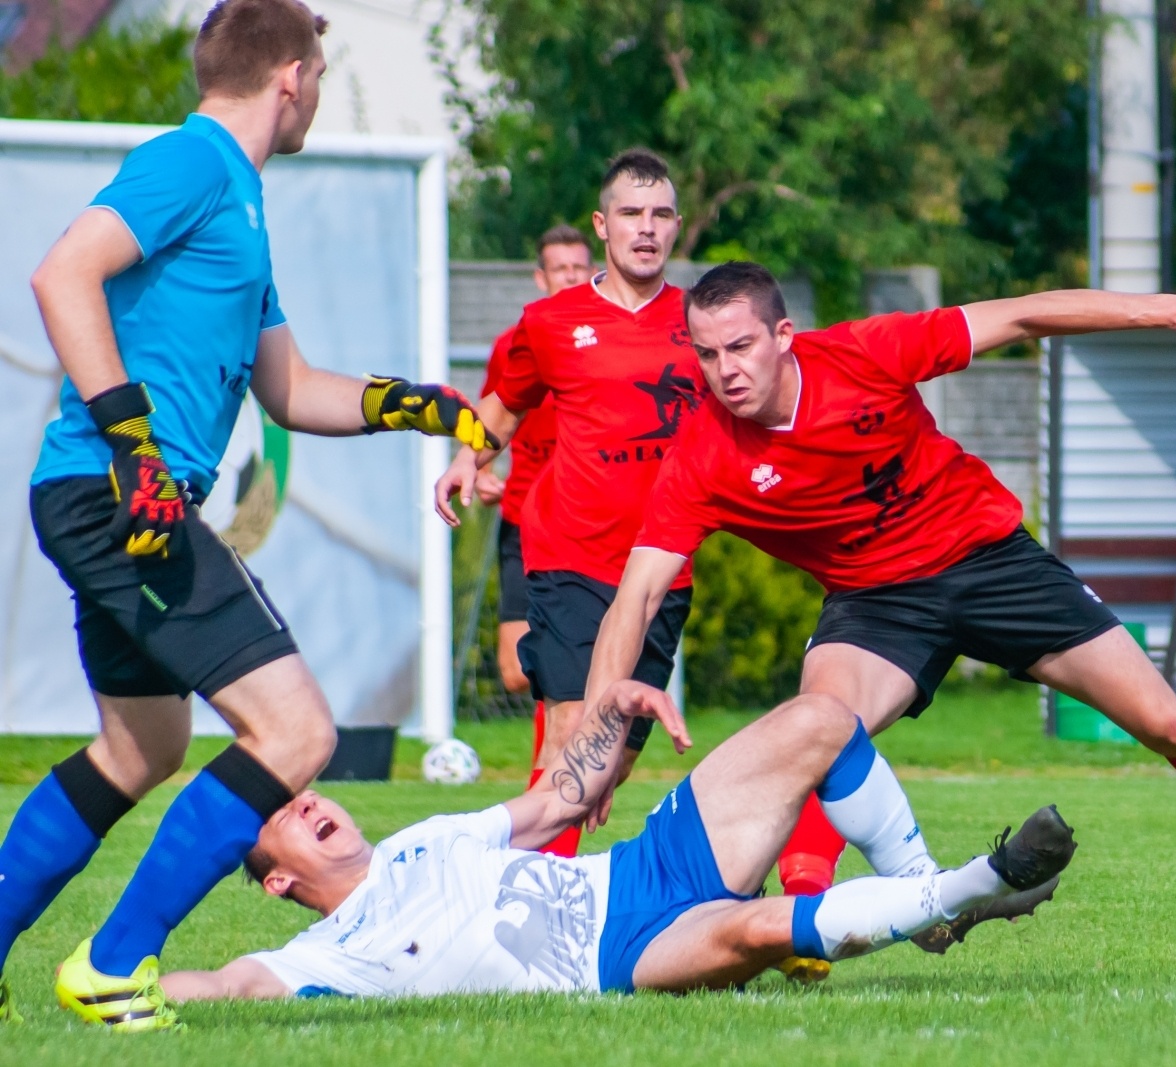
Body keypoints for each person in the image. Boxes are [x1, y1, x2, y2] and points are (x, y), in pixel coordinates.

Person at [572, 261, 1176, 910]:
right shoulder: (703, 453)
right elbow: (636, 594)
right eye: (706, 355)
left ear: (784, 335)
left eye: (740, 347)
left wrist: (1163, 308)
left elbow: (1021, 315)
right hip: (876, 603)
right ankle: (803, 922)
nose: (724, 371)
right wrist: (595, 740)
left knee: (1171, 725)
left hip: (990, 561)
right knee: (818, 726)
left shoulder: (865, 352)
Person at [0, 0, 493, 1031]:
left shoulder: (240, 204)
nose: (316, 87)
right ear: (291, 79)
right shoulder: (194, 162)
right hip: (116, 492)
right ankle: (111, 965)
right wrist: (135, 447)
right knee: (298, 729)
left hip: (109, 496)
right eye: (317, 69)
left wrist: (426, 405)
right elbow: (62, 272)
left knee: (142, 746)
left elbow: (292, 389)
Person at [434, 154, 849, 928]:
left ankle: (539, 878)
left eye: (660, 215)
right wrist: (468, 455)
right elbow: (504, 402)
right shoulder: (551, 322)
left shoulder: (703, 324)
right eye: (631, 214)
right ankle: (515, 919)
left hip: (660, 567)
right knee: (569, 738)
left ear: (677, 227)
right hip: (567, 556)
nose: (646, 229)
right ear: (603, 226)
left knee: (610, 763)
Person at [157, 682, 1074, 1002]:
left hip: (637, 868)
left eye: (306, 790)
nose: (310, 799)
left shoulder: (424, 838)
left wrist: (618, 713)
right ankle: (977, 881)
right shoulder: (321, 955)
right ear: (275, 881)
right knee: (754, 929)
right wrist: (113, 967)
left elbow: (559, 802)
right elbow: (219, 985)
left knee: (821, 719)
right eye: (284, 811)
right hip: (618, 956)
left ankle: (927, 899)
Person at [472, 225, 595, 700]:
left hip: (587, 521)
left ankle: (557, 769)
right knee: (516, 671)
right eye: (560, 268)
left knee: (574, 664)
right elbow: (489, 423)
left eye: (579, 267)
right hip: (524, 518)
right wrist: (481, 472)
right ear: (540, 277)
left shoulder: (607, 342)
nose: (570, 276)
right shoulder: (512, 345)